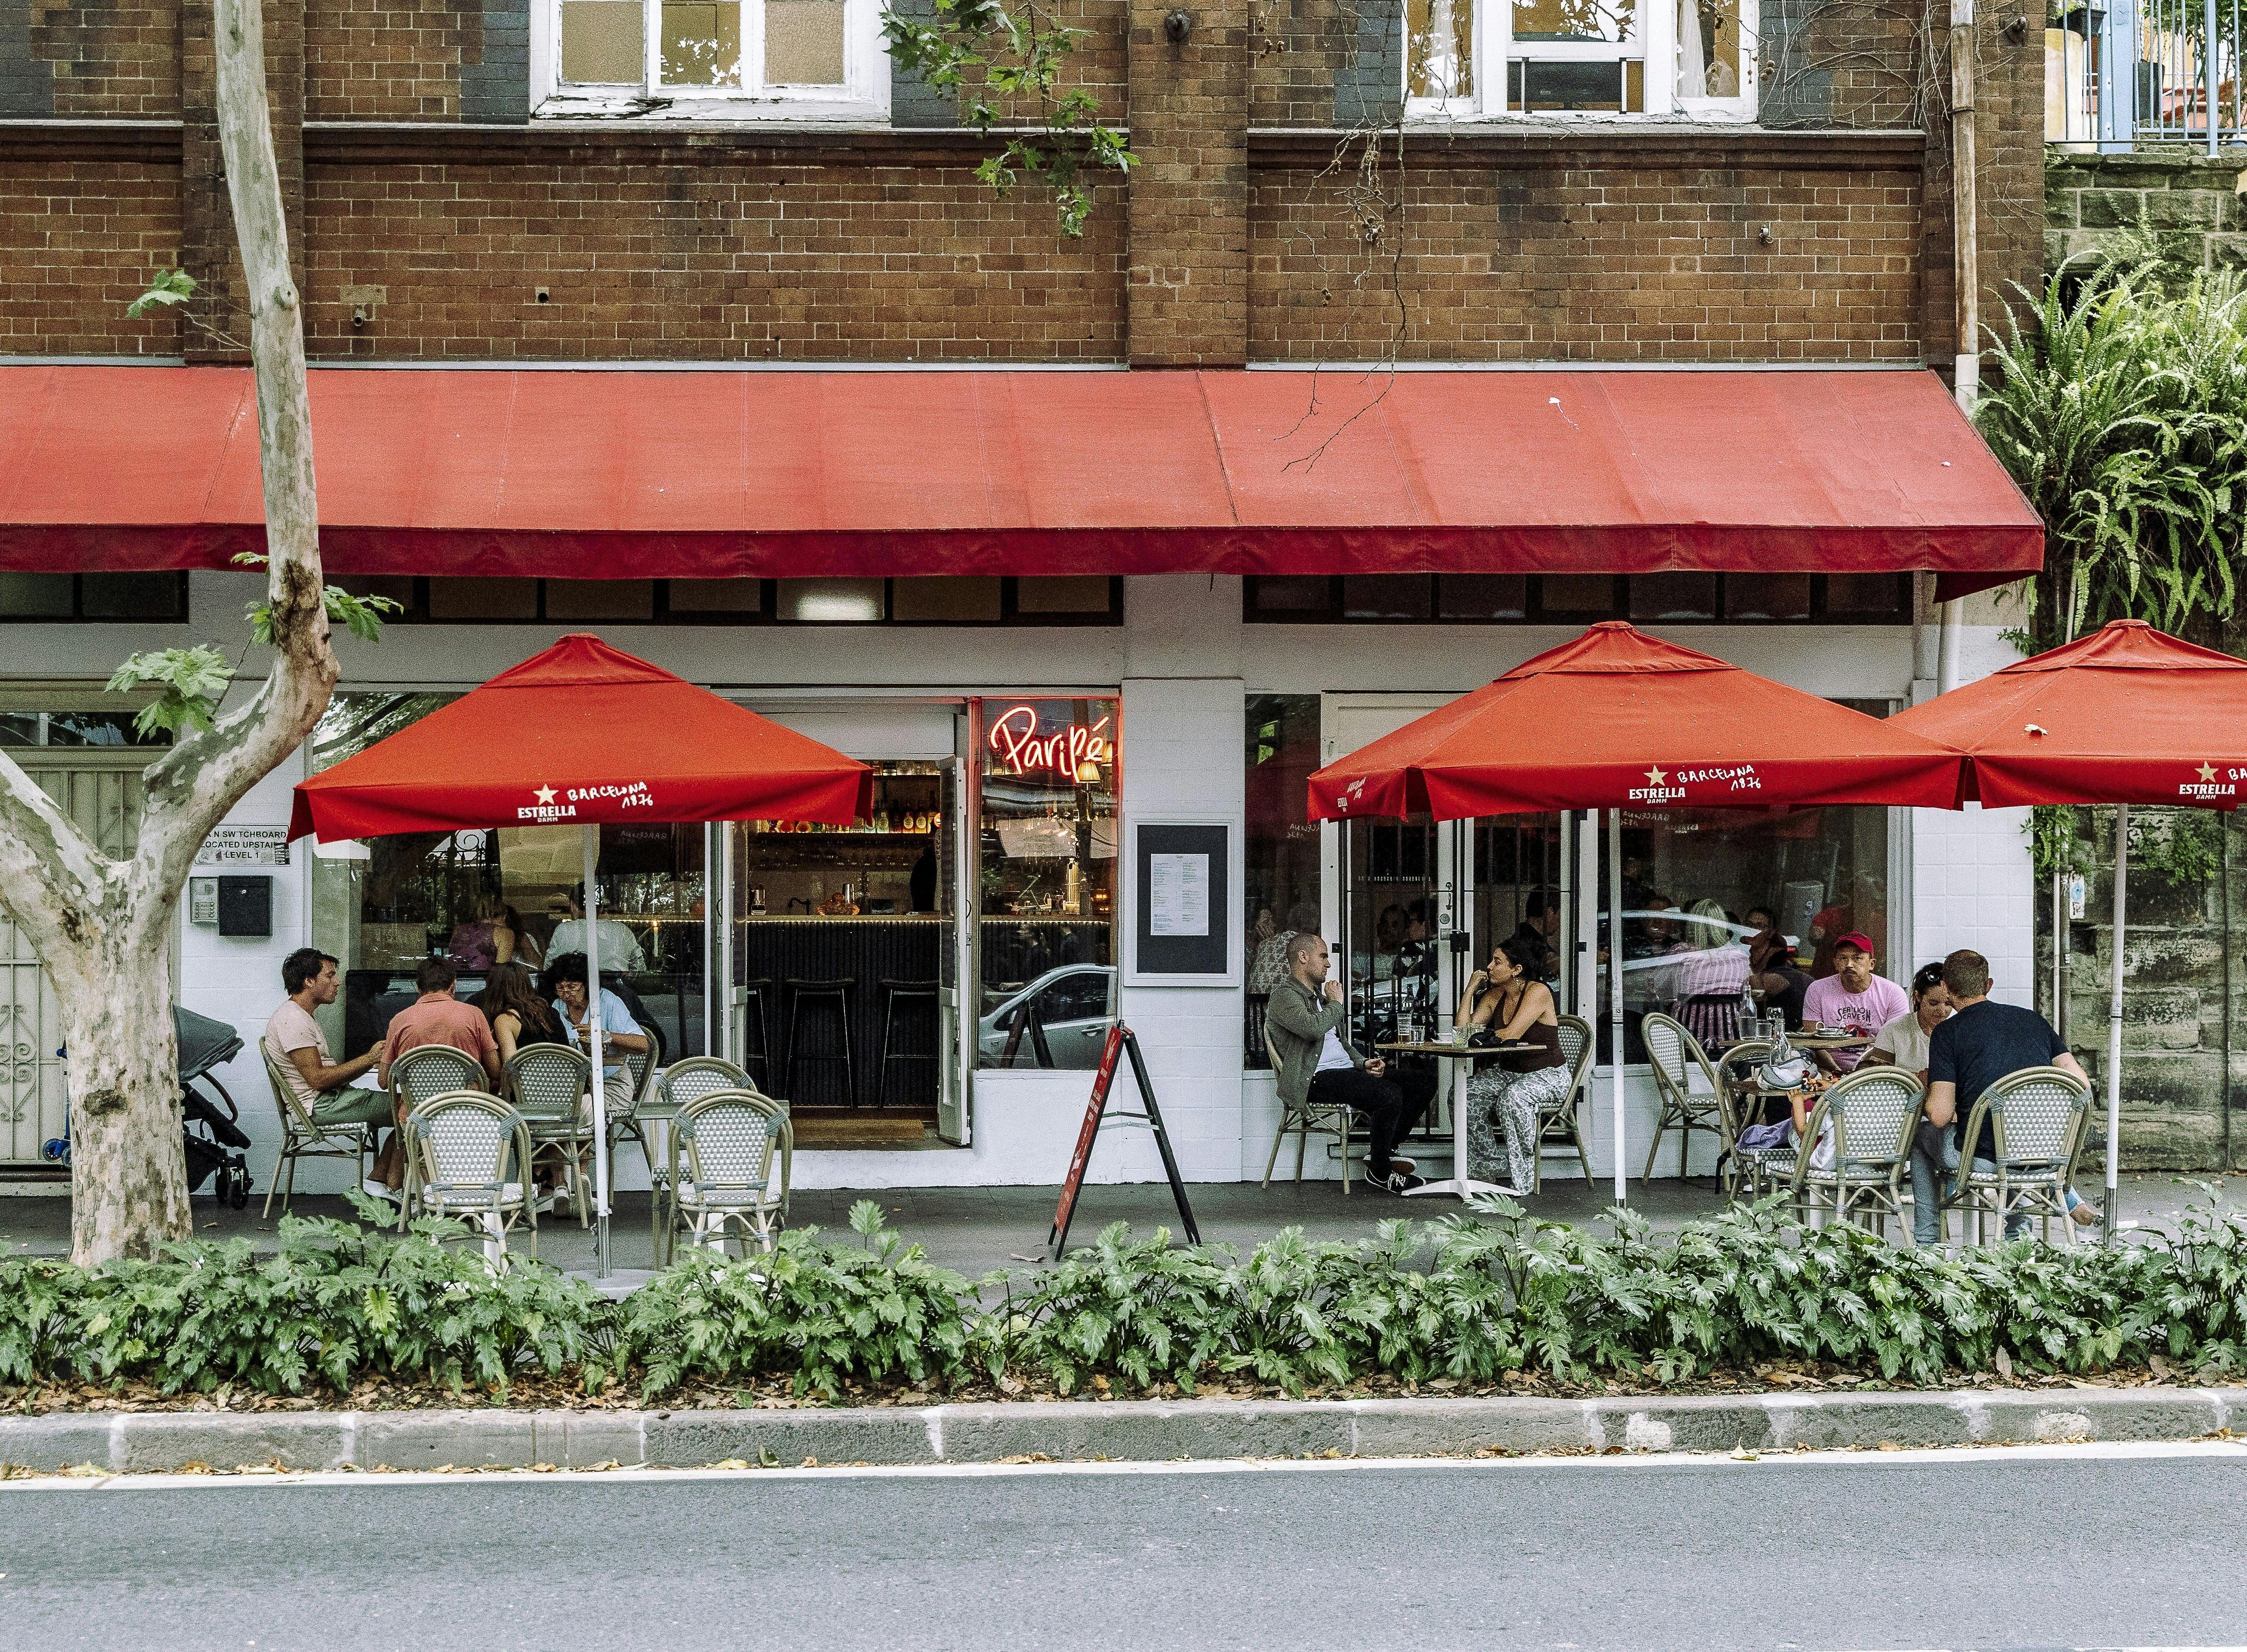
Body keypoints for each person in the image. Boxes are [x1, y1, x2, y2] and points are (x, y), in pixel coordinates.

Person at [1908, 949, 2096, 1245]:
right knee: (2007, 1136)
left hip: (1983, 1158)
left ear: (1945, 986)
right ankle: (2018, 1238)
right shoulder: (2034, 1021)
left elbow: (1940, 1115)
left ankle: (1927, 1242)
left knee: (1920, 1136)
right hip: (2046, 1152)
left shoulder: (1948, 1033)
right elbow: (2081, 1086)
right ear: (1988, 985)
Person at [1265, 931, 1428, 1193]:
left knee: (1422, 1082)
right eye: (1323, 957)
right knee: (1388, 1094)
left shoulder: (1319, 1000)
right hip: (1316, 1078)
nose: (1328, 964)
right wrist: (1337, 1004)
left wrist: (1363, 1063)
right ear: (1303, 957)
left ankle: (1384, 1151)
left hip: (1343, 1072)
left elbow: (1340, 1043)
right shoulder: (1285, 996)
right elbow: (1312, 1030)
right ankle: (1381, 1172)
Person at [264, 947, 402, 1194]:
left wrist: (369, 1062)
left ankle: (380, 1182)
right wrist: (369, 1058)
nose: (337, 982)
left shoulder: (301, 1016)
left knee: (412, 1111)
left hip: (330, 1099)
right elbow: (318, 1080)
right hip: (320, 1106)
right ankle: (392, 1189)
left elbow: (328, 1076)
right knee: (416, 1110)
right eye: (329, 976)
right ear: (309, 981)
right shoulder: (292, 1020)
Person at [1456, 937, 1568, 1194]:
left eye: (1497, 962)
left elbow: (1511, 1034)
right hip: (1508, 1073)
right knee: (1464, 1095)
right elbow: (1462, 1032)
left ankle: (1522, 1181)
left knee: (1513, 1099)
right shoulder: (1496, 995)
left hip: (1547, 1074)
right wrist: (1470, 991)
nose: (1489, 967)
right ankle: (1487, 1171)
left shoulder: (1538, 992)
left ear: (1516, 969)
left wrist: (1482, 1037)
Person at [379, 956, 503, 1098]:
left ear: (418, 989)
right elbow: (495, 1072)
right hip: (466, 1109)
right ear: (453, 986)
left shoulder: (399, 1020)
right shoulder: (474, 1015)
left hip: (418, 1111)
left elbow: (384, 1081)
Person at [1799, 932, 1906, 1073]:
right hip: (1828, 1069)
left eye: (1857, 958)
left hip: (1876, 1070)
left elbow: (1895, 1042)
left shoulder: (1893, 993)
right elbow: (1814, 1040)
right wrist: (1837, 1071)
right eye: (1843, 958)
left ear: (1872, 964)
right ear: (1835, 963)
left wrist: (1863, 1073)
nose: (1849, 964)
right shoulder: (1817, 990)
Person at [546, 951, 649, 1092]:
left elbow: (642, 1045)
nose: (566, 994)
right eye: (560, 988)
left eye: (572, 987)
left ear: (587, 984)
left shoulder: (608, 1002)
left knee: (588, 1105)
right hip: (572, 1082)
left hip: (610, 1081)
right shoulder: (558, 1006)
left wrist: (602, 1035)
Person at [1671, 898, 1750, 1047]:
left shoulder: (1680, 954)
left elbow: (1661, 991)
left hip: (1687, 1045)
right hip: (1729, 1044)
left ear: (1693, 925)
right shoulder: (1740, 957)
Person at [1861, 962, 1952, 1082]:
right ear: (1918, 997)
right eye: (1933, 1003)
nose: (1942, 1011)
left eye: (1948, 1004)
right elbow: (1877, 1077)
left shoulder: (1958, 1032)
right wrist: (1917, 1078)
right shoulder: (1894, 1029)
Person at [475, 960, 569, 1066]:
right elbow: (567, 1052)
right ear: (527, 984)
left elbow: (511, 1068)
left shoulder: (506, 1019)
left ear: (493, 989)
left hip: (528, 1076)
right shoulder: (551, 1012)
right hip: (563, 1074)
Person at [546, 883, 647, 976]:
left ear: (572, 905)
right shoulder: (623, 930)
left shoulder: (564, 930)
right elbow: (640, 969)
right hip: (616, 988)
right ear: (601, 908)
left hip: (578, 989)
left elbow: (549, 969)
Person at [1745, 905, 1811, 1029]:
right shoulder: (1739, 955)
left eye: (1760, 926)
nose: (1753, 930)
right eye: (1749, 925)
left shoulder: (1773, 971)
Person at [1249, 901, 1320, 997]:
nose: (1274, 925)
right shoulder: (1307, 950)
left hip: (1254, 1005)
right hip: (1286, 1005)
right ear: (1315, 929)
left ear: (1289, 921)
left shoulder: (1264, 945)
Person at [1505, 889, 1562, 982]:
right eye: (1561, 914)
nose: (1561, 921)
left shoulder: (1517, 939)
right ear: (1550, 913)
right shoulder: (1535, 947)